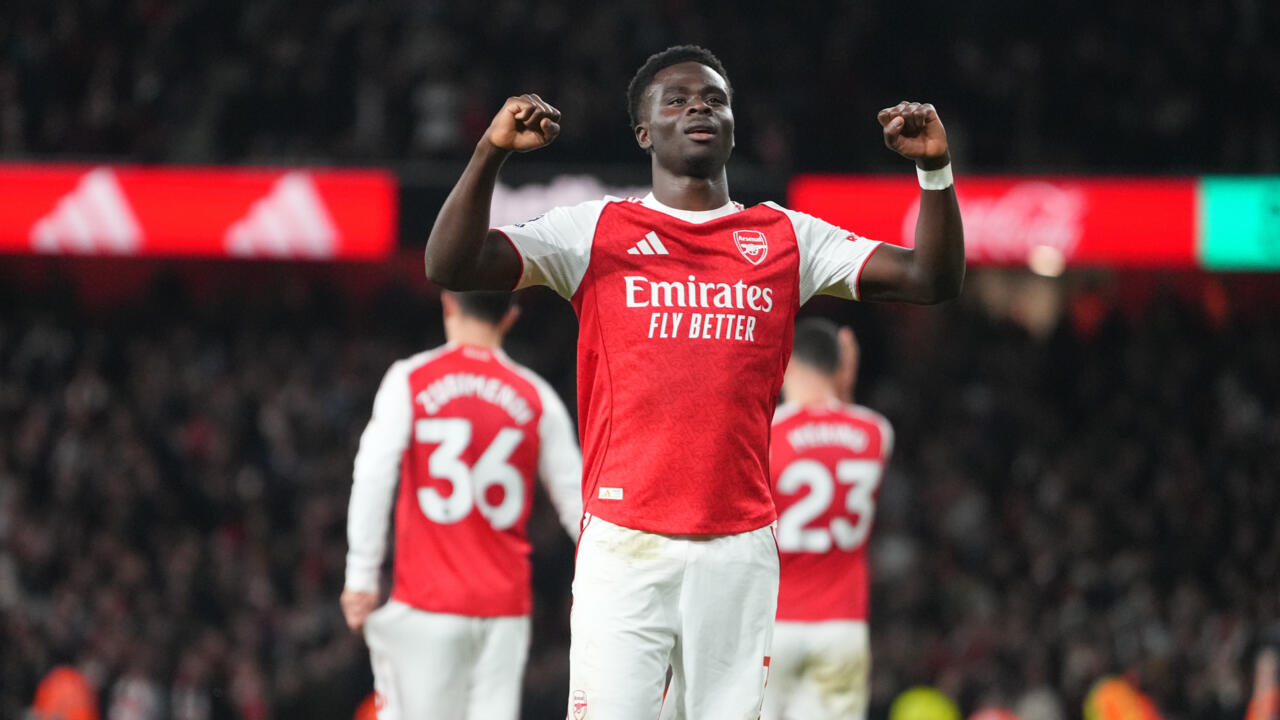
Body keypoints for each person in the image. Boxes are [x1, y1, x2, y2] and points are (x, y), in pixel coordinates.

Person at [424, 44, 963, 719]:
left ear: (733, 126)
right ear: (644, 133)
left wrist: (934, 169)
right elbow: (451, 264)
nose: (698, 108)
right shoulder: (595, 230)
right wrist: (490, 152)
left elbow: (930, 278)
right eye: (676, 100)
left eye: (714, 99)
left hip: (739, 549)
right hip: (624, 543)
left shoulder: (787, 238)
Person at [341, 290, 583, 720]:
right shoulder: (536, 396)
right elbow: (581, 511)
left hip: (427, 602)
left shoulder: (410, 379)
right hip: (505, 611)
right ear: (510, 316)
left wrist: (362, 574)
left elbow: (374, 474)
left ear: (448, 302)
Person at [763, 318, 893, 720]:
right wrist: (845, 384)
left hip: (773, 623)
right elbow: (839, 433)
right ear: (840, 368)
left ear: (787, 362)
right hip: (842, 626)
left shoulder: (767, 433)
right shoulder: (877, 431)